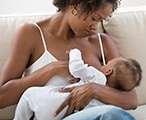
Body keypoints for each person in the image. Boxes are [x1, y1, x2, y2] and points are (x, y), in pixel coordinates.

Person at [0, 0, 138, 120]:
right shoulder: (31, 33)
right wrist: (52, 69)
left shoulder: (102, 42)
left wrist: (93, 90)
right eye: (94, 18)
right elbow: (2, 97)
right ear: (76, 3)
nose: (95, 27)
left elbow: (131, 99)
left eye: (101, 21)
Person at [13, 48, 142, 120]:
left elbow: (76, 68)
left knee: (29, 94)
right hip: (65, 115)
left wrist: (75, 52)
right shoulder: (111, 99)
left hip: (51, 104)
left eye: (106, 64)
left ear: (108, 70)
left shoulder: (99, 76)